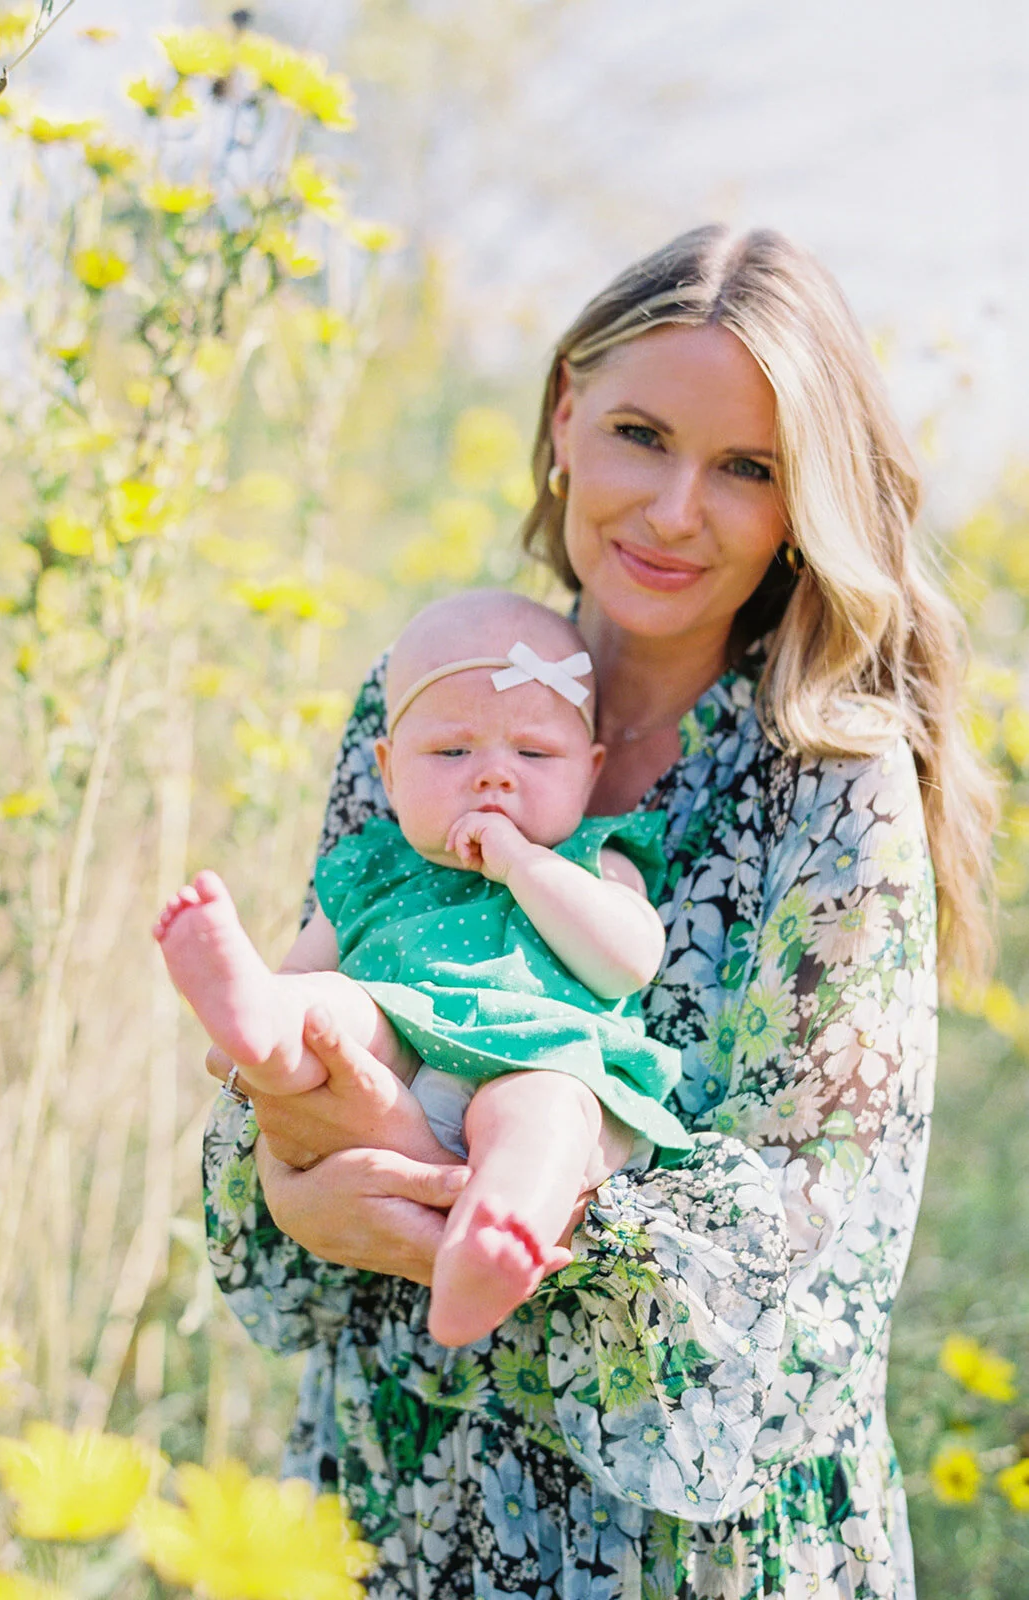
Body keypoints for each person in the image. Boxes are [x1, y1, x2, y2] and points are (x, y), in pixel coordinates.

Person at [200, 226, 997, 1598]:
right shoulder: (432, 690)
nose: (675, 510)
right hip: (393, 1504)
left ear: (801, 502)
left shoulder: (829, 781)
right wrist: (280, 1181)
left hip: (681, 1557)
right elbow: (307, 1031)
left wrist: (436, 1185)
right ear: (566, 415)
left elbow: (815, 1265)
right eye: (641, 435)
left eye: (746, 467)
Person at [158, 590, 691, 1347]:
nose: (494, 776)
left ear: (589, 770)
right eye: (451, 753)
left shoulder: (589, 859)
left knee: (539, 1117)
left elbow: (628, 963)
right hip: (395, 1052)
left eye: (534, 754)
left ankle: (495, 1240)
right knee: (330, 1008)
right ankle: (256, 1032)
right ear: (388, 770)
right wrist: (281, 999)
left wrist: (522, 864)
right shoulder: (370, 866)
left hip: (544, 1057)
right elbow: (310, 968)